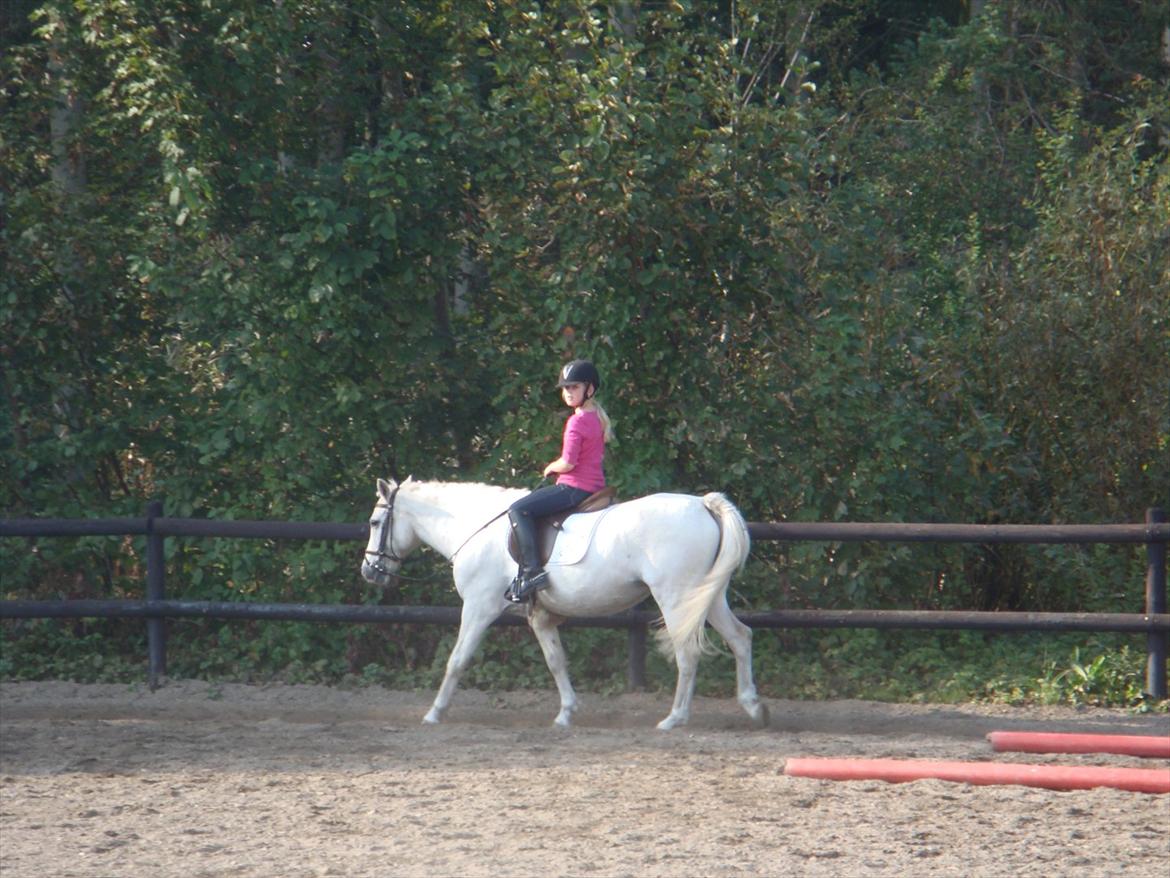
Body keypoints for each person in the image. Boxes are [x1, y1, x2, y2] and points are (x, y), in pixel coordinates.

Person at [505, 359, 614, 603]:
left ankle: (532, 572)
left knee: (518, 509)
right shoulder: (596, 416)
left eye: (574, 387)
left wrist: (550, 467)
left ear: (590, 389)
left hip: (574, 488)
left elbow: (568, 463)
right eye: (565, 388)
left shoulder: (576, 421)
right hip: (595, 487)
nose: (567, 392)